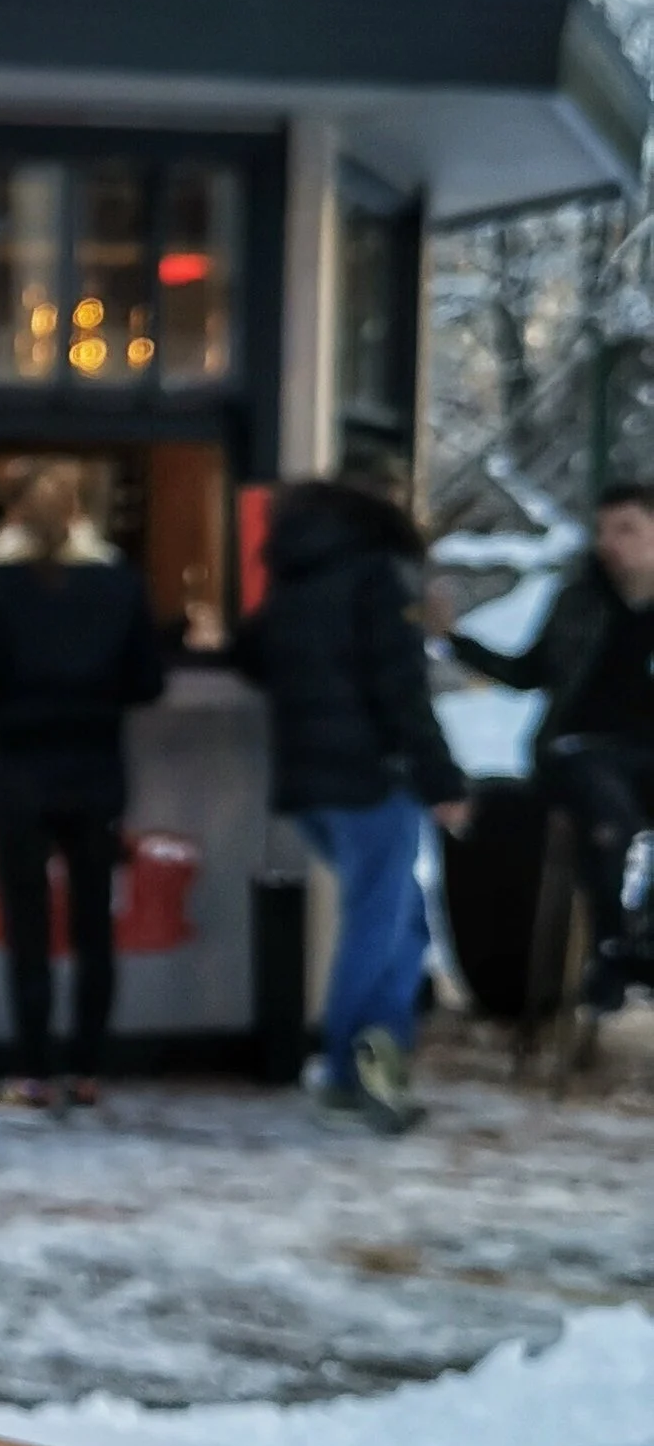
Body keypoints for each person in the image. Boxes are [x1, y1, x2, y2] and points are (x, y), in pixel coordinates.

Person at [232, 477, 468, 1132]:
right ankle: (351, 1066)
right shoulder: (378, 577)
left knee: (405, 918)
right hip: (372, 780)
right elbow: (402, 692)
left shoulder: (293, 578)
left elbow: (248, 655)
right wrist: (442, 780)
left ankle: (375, 1053)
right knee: (379, 921)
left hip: (307, 783)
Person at [0, 461, 166, 1113]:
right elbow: (148, 683)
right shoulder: (120, 585)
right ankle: (89, 1069)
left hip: (20, 776)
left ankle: (34, 1071)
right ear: (83, 514)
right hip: (98, 776)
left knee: (29, 926)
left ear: (14, 515)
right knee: (96, 924)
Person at [447, 478, 654, 1011]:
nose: (610, 542)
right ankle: (612, 949)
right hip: (578, 747)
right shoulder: (581, 599)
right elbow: (529, 671)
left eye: (627, 529)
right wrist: (456, 642)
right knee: (608, 818)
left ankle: (643, 938)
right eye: (604, 529)